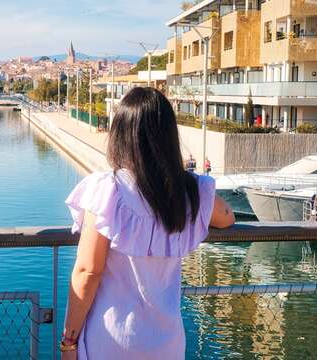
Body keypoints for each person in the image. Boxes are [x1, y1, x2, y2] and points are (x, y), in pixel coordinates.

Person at [61, 87, 234, 360]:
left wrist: (69, 341)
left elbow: (87, 272)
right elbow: (227, 217)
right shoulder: (190, 191)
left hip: (111, 339)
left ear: (120, 135)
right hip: (166, 343)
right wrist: (186, 181)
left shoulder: (108, 190)